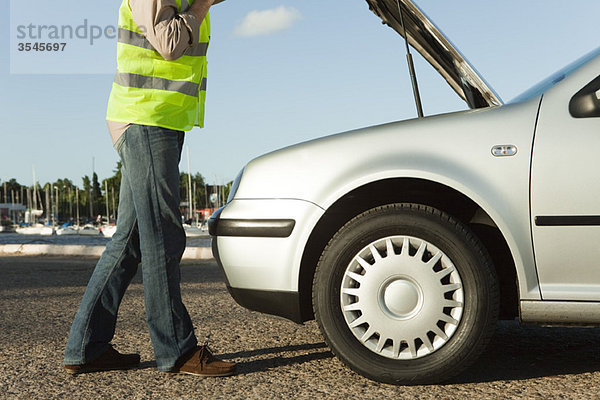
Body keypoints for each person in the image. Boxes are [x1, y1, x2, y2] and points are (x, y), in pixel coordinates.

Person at [63, 0, 235, 377]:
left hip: (160, 118)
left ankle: (85, 347)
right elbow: (168, 42)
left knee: (131, 239)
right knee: (163, 234)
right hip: (145, 118)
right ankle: (176, 349)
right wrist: (204, 5)